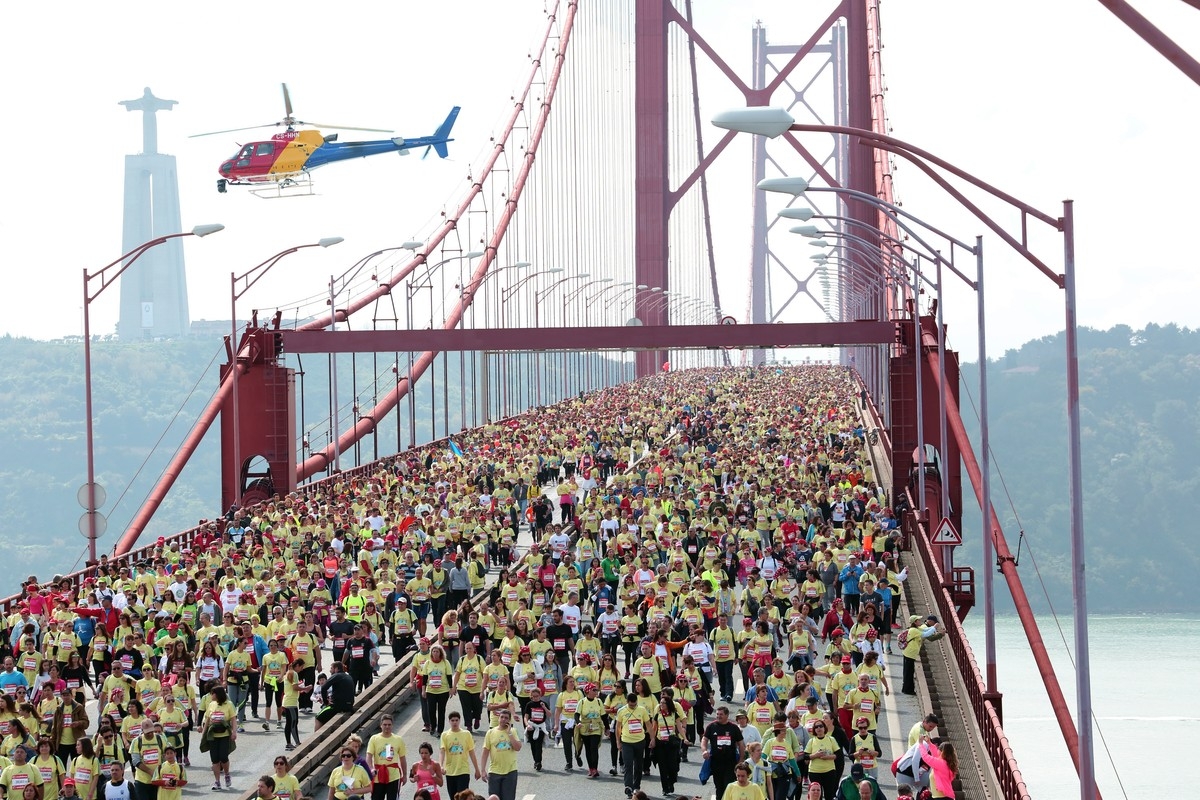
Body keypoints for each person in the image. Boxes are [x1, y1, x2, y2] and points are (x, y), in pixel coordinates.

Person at [701, 706, 745, 800]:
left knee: (728, 786)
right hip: (716, 763)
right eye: (717, 714)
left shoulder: (733, 728)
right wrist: (704, 750)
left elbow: (741, 744)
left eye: (721, 714)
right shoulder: (711, 726)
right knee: (719, 787)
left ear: (727, 715)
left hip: (730, 763)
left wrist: (741, 760)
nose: (718, 716)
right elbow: (704, 740)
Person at [200, 685, 237, 790]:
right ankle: (217, 781)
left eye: (213, 693)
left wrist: (234, 732)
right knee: (215, 759)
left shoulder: (228, 704)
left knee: (223, 757)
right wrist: (203, 733)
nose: (211, 695)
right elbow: (207, 719)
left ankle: (227, 774)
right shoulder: (211, 704)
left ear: (218, 694)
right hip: (213, 736)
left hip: (224, 735)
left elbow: (233, 719)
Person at [480, 709, 521, 800]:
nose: (503, 719)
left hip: (510, 771)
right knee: (494, 798)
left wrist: (509, 733)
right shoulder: (490, 732)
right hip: (494, 771)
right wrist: (482, 770)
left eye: (506, 718)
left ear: (509, 720)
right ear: (498, 718)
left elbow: (518, 748)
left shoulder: (513, 731)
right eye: (501, 717)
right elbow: (485, 752)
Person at [615, 691, 650, 797]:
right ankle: (628, 787)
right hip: (626, 742)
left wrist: (652, 738)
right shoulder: (621, 711)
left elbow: (648, 724)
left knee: (639, 766)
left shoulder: (642, 710)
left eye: (634, 705)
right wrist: (618, 741)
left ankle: (636, 786)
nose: (633, 706)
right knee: (628, 765)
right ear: (627, 702)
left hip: (640, 741)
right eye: (631, 705)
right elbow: (618, 727)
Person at [439, 711, 480, 799]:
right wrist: (441, 765)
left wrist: (477, 769)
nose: (455, 722)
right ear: (449, 721)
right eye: (452, 720)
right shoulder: (445, 735)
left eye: (456, 720)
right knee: (453, 797)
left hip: (463, 771)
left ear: (459, 721)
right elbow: (442, 751)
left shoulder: (466, 734)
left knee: (463, 797)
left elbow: (472, 752)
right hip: (450, 771)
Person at [899, 615, 943, 696]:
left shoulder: (916, 629)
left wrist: (934, 628)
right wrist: (935, 627)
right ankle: (908, 690)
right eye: (918, 620)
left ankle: (906, 688)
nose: (920, 621)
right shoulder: (913, 630)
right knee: (909, 672)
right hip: (910, 653)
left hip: (909, 653)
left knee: (908, 672)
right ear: (915, 622)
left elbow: (926, 629)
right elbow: (925, 634)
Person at [367, 715, 408, 800]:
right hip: (378, 776)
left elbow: (402, 758)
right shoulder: (374, 738)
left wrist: (404, 775)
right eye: (385, 724)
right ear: (380, 725)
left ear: (392, 725)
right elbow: (369, 755)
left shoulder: (398, 739)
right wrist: (371, 768)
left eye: (389, 724)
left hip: (393, 776)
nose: (387, 727)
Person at [804, 719, 840, 800]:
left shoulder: (831, 739)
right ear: (814, 729)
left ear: (824, 728)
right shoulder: (811, 741)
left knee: (829, 795)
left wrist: (827, 757)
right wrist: (816, 755)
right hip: (814, 772)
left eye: (821, 726)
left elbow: (838, 755)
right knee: (817, 796)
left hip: (829, 771)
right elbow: (805, 756)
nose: (819, 728)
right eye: (816, 727)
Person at [316, 663, 356, 731]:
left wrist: (326, 702)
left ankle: (316, 739)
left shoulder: (336, 675)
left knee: (318, 717)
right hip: (349, 706)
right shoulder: (348, 676)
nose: (330, 670)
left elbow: (323, 688)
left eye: (331, 668)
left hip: (337, 707)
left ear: (336, 668)